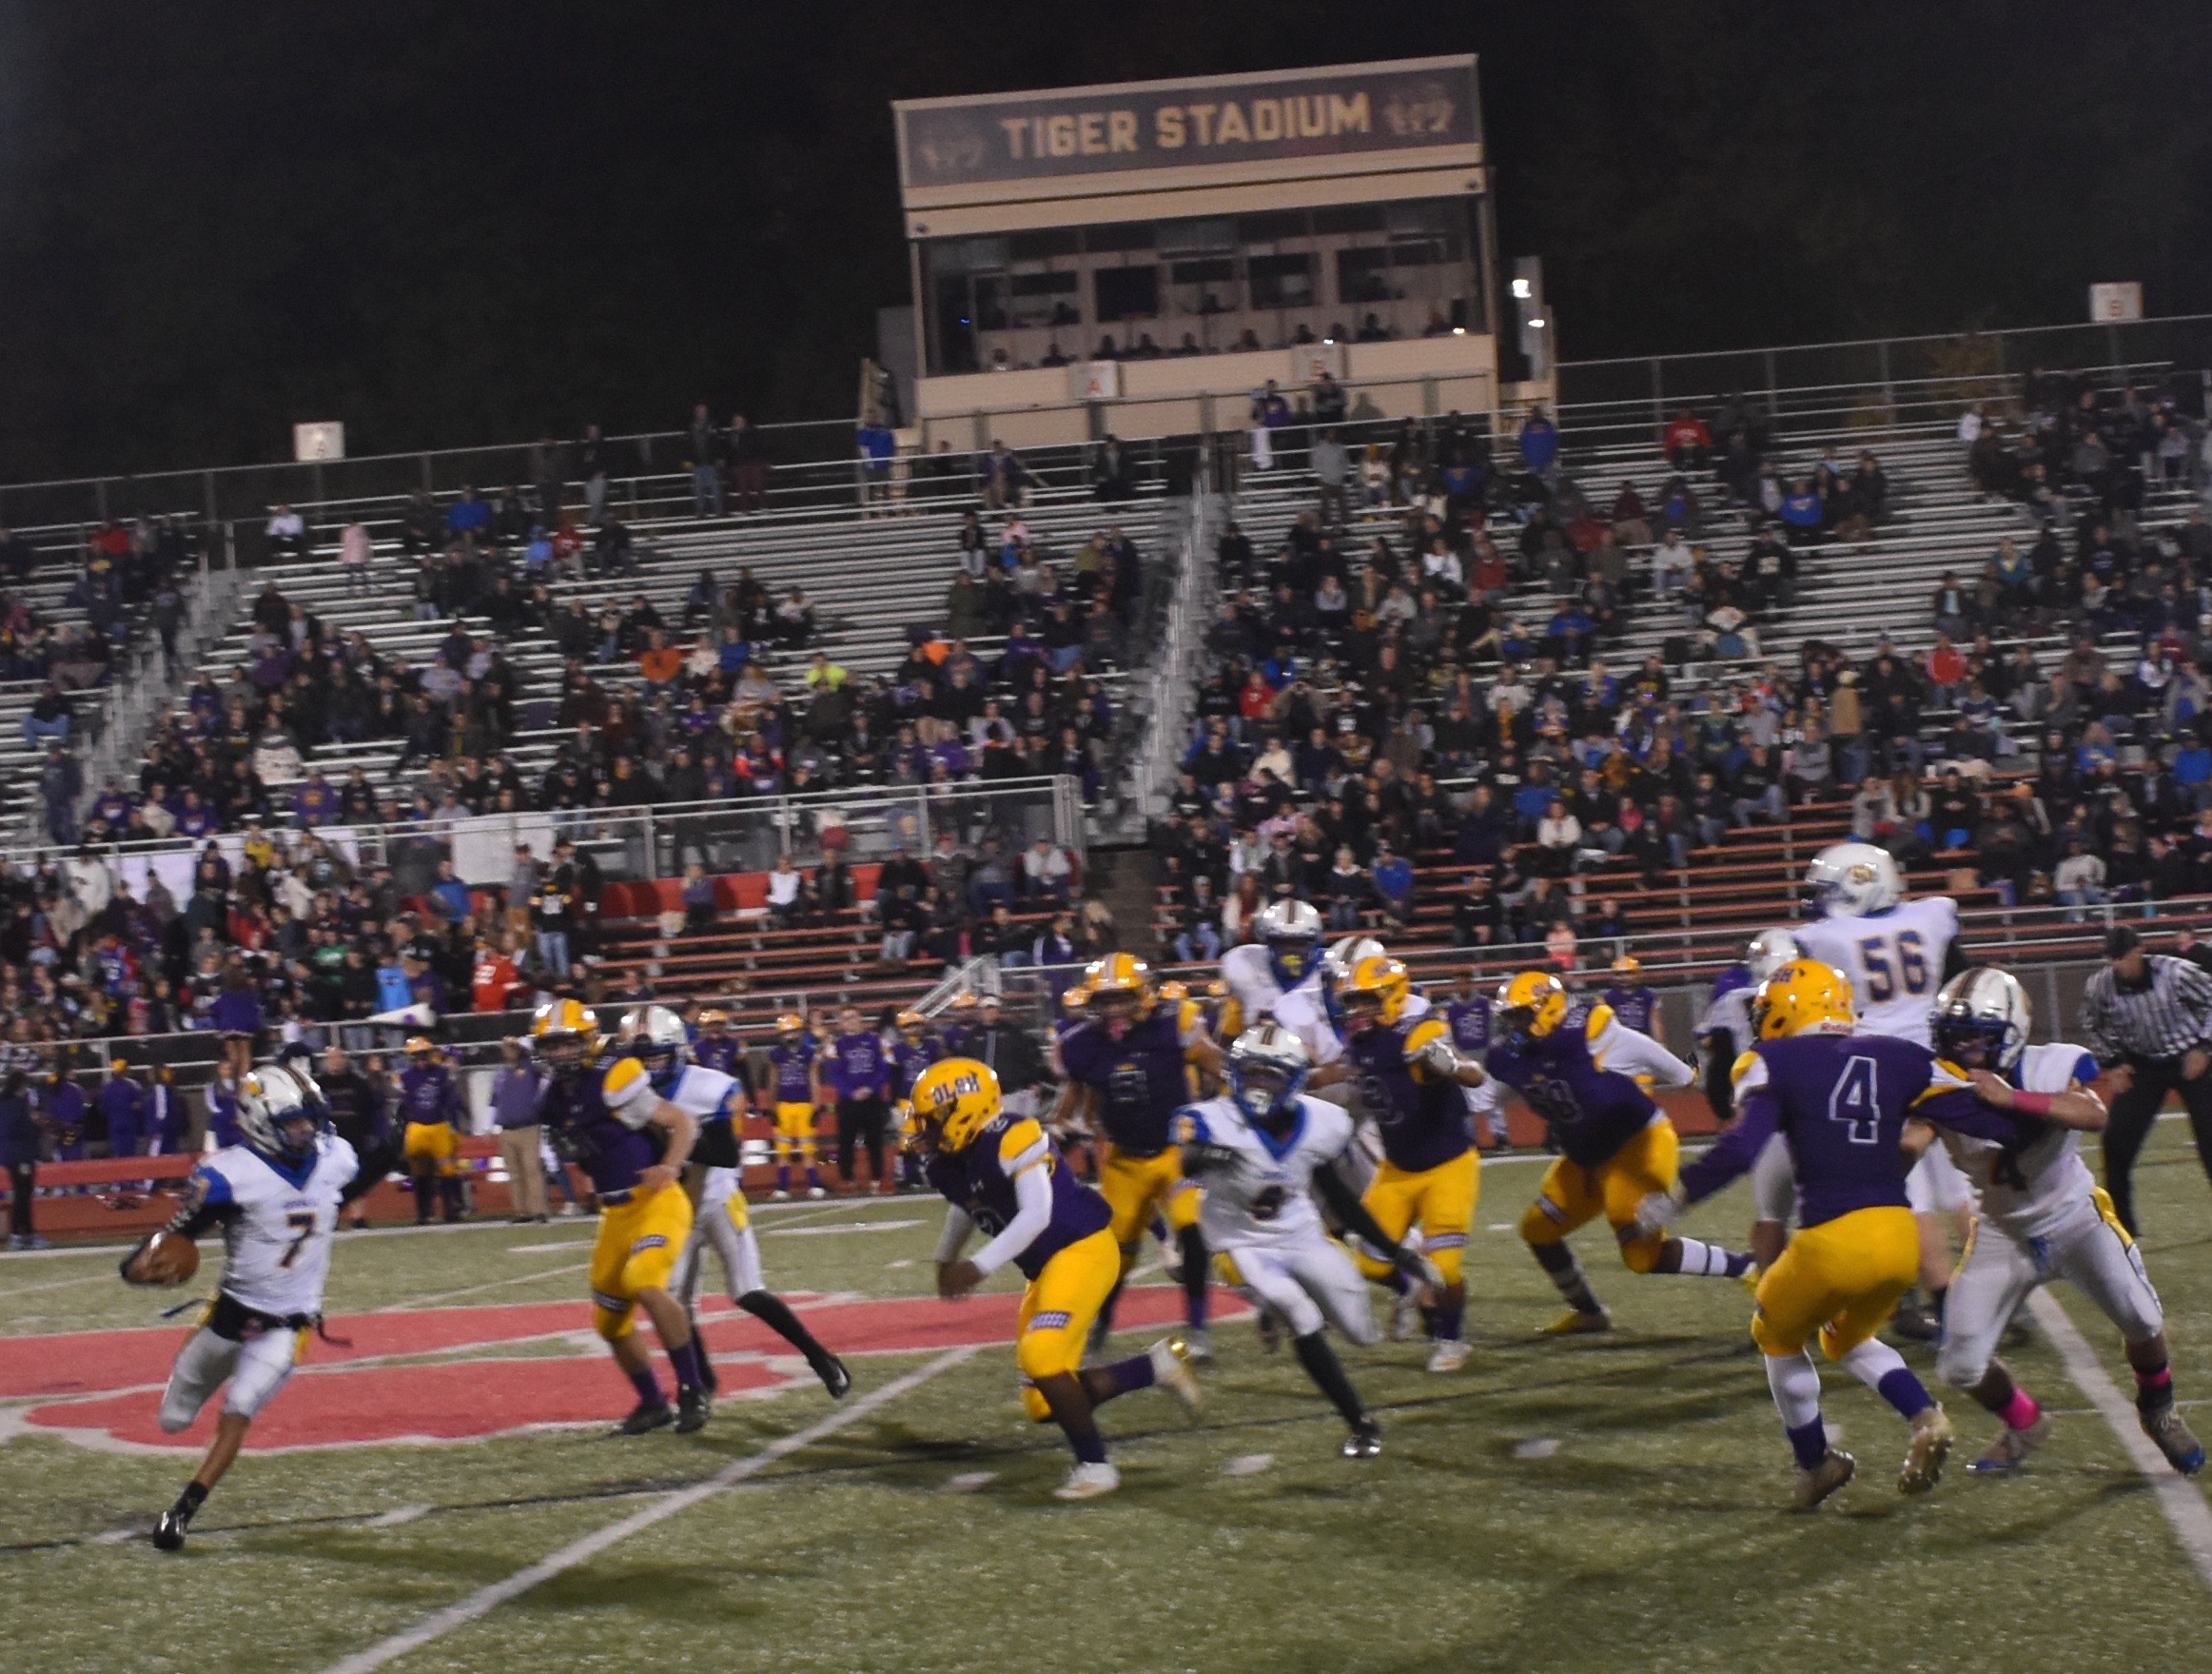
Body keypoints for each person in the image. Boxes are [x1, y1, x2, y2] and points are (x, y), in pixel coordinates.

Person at [1638, 959, 2046, 1508]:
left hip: (1830, 1241)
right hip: (1897, 1240)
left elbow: (1740, 1149)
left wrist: (1673, 1198)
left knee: (1775, 1334)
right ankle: (1925, 1416)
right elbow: (1993, 1122)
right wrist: (2042, 1107)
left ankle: (1815, 1465)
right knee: (1844, 1337)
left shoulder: (1770, 1059)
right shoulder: (1900, 1056)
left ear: (1789, 1008)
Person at [1922, 969, 2202, 1477]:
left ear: (2011, 1033)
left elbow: (2092, 1113)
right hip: (2002, 1230)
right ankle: (2026, 1424)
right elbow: (1910, 1142)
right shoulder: (1939, 1084)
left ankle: (2159, 1412)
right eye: (1955, 1036)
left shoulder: (2051, 1063)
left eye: (1978, 1038)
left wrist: (2011, 1098)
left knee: (2143, 1319)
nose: (1965, 1050)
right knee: (1960, 1363)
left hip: (2076, 1219)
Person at [911, 1056, 1201, 1501]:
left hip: (1082, 1248)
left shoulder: (1013, 1134)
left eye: (932, 1120)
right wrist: (944, 1258)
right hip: (1045, 1268)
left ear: (963, 1109)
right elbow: (964, 1203)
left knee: (1042, 1354)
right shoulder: (947, 1163)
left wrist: (976, 1267)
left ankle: (1096, 1467)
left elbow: (1036, 1215)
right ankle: (1154, 1366)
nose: (923, 1131)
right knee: (1043, 1402)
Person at [121, 1065, 373, 1549]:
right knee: (173, 1418)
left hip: (288, 1324)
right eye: (293, 1121)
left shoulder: (333, 1156)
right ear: (260, 1121)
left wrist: (396, 1141)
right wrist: (138, 1264)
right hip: (231, 1316)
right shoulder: (229, 1174)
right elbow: (180, 1232)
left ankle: (182, 1511)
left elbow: (357, 1181)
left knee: (240, 1408)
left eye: (309, 1119)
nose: (305, 1129)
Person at [1175, 1025, 1441, 1455]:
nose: (1259, 1084)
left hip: (1301, 1234)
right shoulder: (1210, 1119)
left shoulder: (1322, 1122)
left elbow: (1340, 1197)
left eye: (1271, 1074)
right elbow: (1188, 1156)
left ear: (1295, 1080)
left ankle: (1273, 1308)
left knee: (1362, 1335)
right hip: (1240, 1242)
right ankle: (1361, 1423)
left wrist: (1397, 1253)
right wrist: (1213, 1155)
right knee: (1300, 1313)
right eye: (1251, 1073)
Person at [1490, 970, 1753, 1334]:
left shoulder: (1606, 1037)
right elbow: (1484, 1097)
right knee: (1538, 1230)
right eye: (1511, 1018)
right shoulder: (1526, 1055)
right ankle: (1589, 1313)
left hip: (1636, 1146)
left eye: (1520, 1015)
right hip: (1585, 1158)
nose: (1513, 1027)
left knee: (1641, 1256)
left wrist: (1644, 1076)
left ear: (1546, 1009)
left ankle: (1746, 1267)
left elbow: (1680, 1075)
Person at [1791, 841, 1971, 1337]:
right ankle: (1995, 1290)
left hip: (1877, 1074)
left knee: (1908, 1192)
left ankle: (1942, 1301)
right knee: (1961, 1185)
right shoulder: (1932, 918)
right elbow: (1965, 981)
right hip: (1938, 1064)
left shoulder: (1824, 938)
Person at [628, 1005, 850, 1400]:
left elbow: (727, 1153)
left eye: (658, 1055)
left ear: (678, 1049)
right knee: (673, 1301)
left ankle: (819, 1357)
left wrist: (681, 1138)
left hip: (715, 1200)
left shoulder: (709, 1085)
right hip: (670, 1209)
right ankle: (700, 1383)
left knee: (747, 1290)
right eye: (643, 1058)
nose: (650, 1066)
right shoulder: (628, 1092)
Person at [531, 1000, 711, 1434]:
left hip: (655, 1202)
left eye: (568, 1044)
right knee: (609, 1322)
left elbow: (682, 1123)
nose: (560, 1054)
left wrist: (669, 1166)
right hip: (614, 1213)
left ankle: (693, 1388)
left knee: (645, 1284)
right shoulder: (551, 1098)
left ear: (588, 1042)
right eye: (551, 1046)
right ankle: (652, 1403)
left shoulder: (614, 1077)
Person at [1052, 955, 1223, 1361]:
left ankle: (1198, 1330)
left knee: (1193, 1233)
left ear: (1142, 995)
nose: (1113, 1010)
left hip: (1176, 1154)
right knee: (1116, 1257)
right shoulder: (1081, 1044)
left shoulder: (1173, 1023)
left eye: (1121, 999)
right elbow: (1074, 1096)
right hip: (1124, 1160)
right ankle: (1100, 1328)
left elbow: (1217, 1062)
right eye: (1105, 1001)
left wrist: (1230, 1110)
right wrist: (1060, 1124)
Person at [1337, 956, 1492, 1370]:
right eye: (1353, 1002)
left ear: (1393, 994)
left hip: (1447, 1165)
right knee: (1369, 1263)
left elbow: (1475, 1075)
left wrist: (1454, 1067)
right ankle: (1407, 1287)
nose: (1358, 1011)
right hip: (1398, 1167)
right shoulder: (1363, 1042)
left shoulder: (1422, 1028)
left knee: (1443, 1269)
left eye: (1366, 1000)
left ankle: (1452, 1339)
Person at [2076, 923, 2212, 1234]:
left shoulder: (2177, 972)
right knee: (2116, 1142)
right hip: (2143, 1065)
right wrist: (2114, 1062)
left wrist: (2205, 1047)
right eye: (2111, 958)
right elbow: (2091, 1023)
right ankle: (2119, 1224)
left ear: (2139, 949)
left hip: (2191, 1058)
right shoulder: (2100, 986)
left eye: (2121, 956)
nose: (2116, 964)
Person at [823, 1004, 893, 1193]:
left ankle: (877, 1180)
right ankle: (847, 1179)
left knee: (875, 1141)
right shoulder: (834, 1045)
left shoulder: (877, 1040)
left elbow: (884, 1068)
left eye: (853, 1016)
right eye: (845, 1018)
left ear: (860, 1018)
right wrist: (850, 1092)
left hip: (872, 1099)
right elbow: (835, 1074)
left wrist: (870, 1088)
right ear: (841, 1023)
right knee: (845, 1142)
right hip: (848, 1101)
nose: (850, 1021)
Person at [397, 1035, 465, 1225]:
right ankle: (423, 1212)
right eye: (416, 1055)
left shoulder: (442, 1073)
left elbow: (449, 1099)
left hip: (439, 1125)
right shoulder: (405, 1077)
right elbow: (402, 1107)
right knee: (419, 1172)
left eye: (423, 1054)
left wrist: (455, 1123)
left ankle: (451, 1209)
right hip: (417, 1126)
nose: (420, 1059)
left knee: (447, 1169)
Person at [766, 1013, 826, 1199]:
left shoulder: (809, 1052)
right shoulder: (775, 1054)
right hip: (784, 1104)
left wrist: (817, 1106)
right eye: (786, 1033)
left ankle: (814, 1184)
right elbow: (773, 1082)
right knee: (783, 1149)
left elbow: (814, 1080)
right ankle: (783, 1187)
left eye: (793, 1032)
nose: (790, 1036)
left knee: (808, 1148)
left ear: (800, 1033)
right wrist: (771, 1107)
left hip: (804, 1104)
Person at [491, 1040, 549, 1223]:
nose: (508, 1051)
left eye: (512, 1048)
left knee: (531, 1169)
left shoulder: (532, 1070)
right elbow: (494, 1100)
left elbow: (546, 1078)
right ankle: (523, 1212)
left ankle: (539, 1211)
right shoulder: (501, 1074)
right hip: (506, 1129)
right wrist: (490, 1124)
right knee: (515, 1173)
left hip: (528, 1127)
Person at [1602, 955, 1663, 1047]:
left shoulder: (1648, 996)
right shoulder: (1608, 997)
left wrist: (1660, 1043)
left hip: (1643, 1039)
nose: (1624, 978)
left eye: (1628, 973)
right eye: (1619, 974)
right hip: (1619, 1042)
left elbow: (1655, 1022)